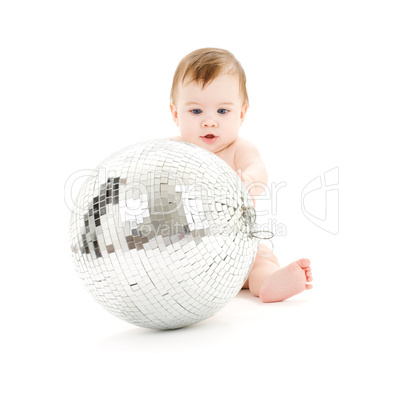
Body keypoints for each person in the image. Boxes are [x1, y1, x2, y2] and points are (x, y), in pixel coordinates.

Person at [168, 48, 312, 302]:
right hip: (185, 250)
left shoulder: (238, 150)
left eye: (223, 111)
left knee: (260, 260)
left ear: (242, 113)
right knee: (164, 264)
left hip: (237, 248)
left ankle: (269, 281)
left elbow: (258, 169)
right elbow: (144, 171)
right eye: (196, 111)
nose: (209, 121)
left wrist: (248, 182)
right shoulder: (171, 151)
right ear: (176, 113)